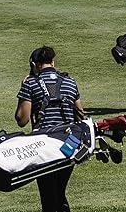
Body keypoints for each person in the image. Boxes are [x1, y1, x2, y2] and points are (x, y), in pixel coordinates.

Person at [15, 46, 85, 212]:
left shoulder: (31, 83)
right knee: (58, 192)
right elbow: (80, 116)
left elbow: (21, 120)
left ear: (34, 64)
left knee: (48, 195)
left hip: (44, 146)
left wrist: (24, 89)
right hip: (69, 144)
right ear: (53, 62)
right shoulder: (70, 82)